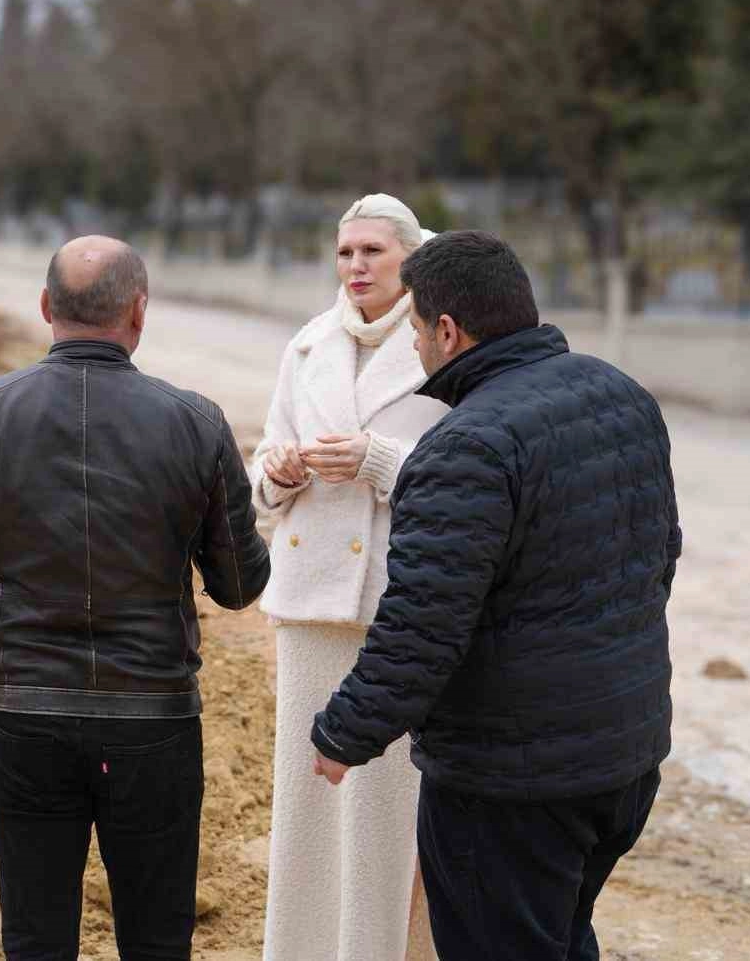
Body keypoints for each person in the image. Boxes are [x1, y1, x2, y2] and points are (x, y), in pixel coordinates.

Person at [0, 235, 271, 961]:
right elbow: (240, 586)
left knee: (36, 938)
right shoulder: (196, 421)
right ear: (139, 311)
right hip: (153, 724)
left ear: (44, 307)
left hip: (27, 720)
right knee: (158, 940)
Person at [310, 230, 681, 960]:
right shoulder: (620, 394)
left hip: (512, 783)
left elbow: (422, 624)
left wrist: (345, 733)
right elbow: (659, 557)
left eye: (417, 331)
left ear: (448, 332)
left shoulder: (465, 446)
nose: (417, 347)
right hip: (624, 756)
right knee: (559, 938)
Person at [252, 193, 446, 961]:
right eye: (345, 252)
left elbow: (472, 470)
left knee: (385, 813)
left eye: (373, 251)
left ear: (410, 256)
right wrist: (277, 473)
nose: (356, 266)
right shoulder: (307, 345)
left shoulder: (443, 340)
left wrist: (379, 461)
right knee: (305, 804)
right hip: (310, 605)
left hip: (398, 607)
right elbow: (262, 481)